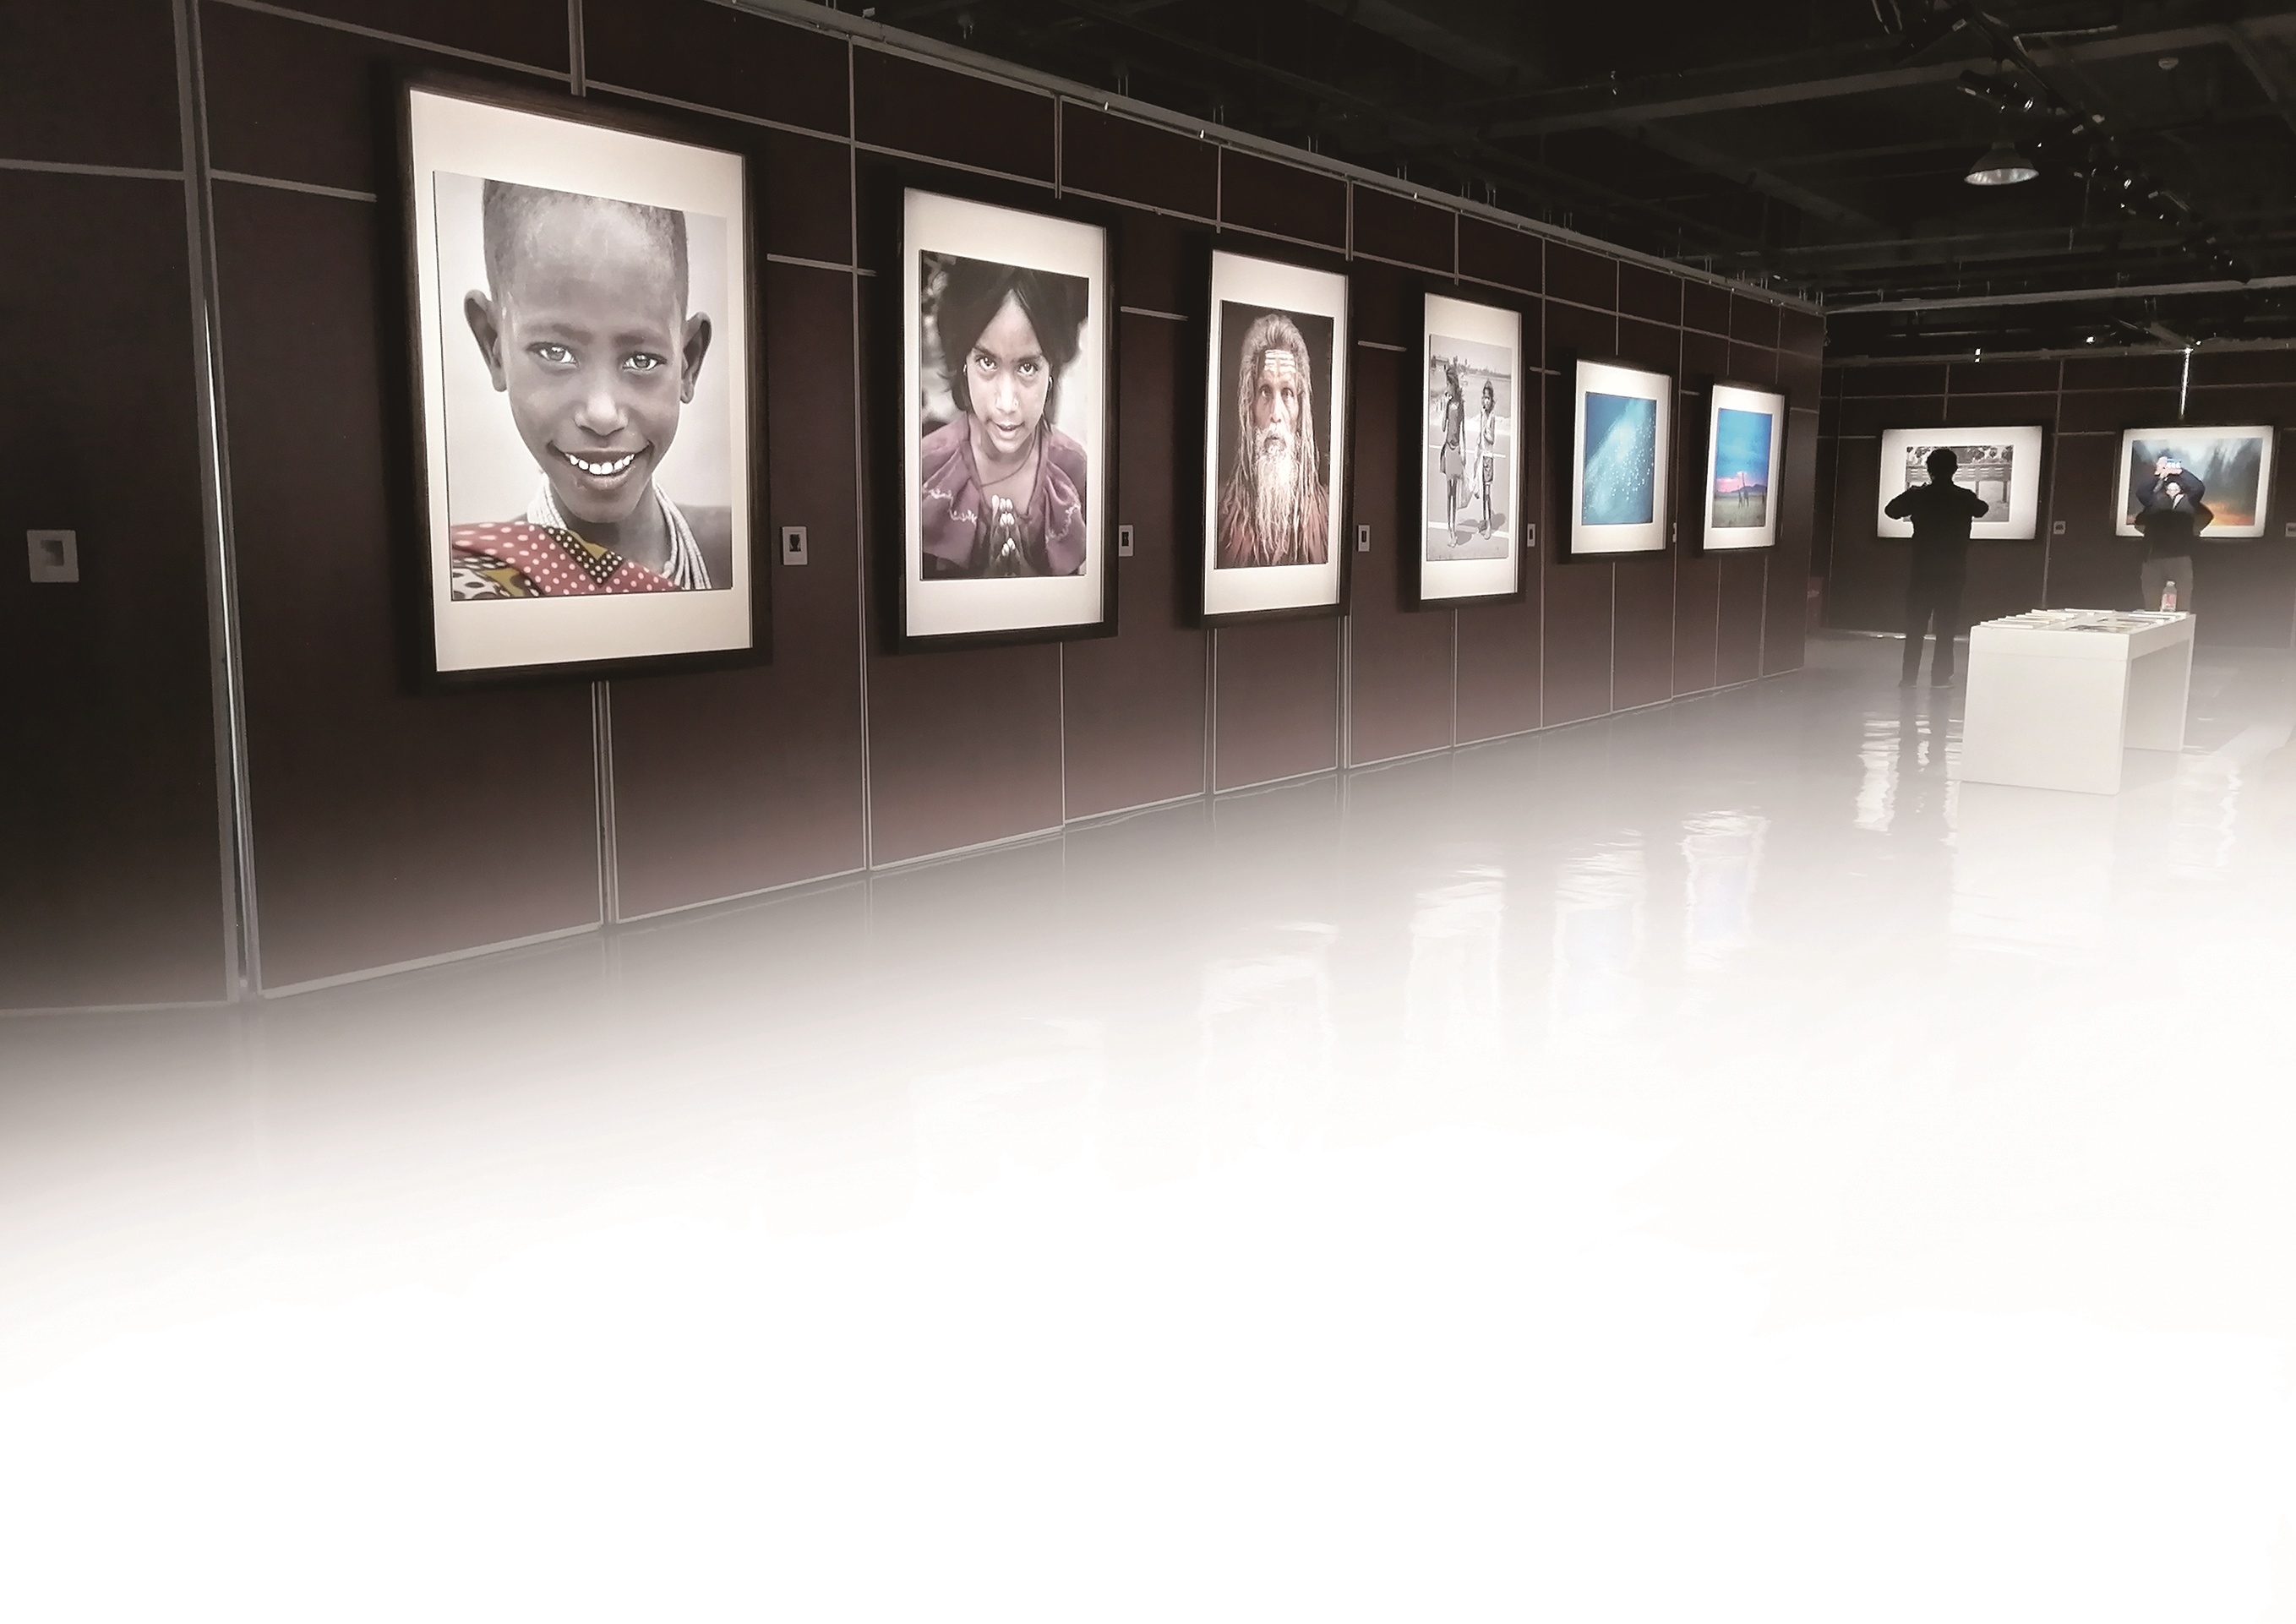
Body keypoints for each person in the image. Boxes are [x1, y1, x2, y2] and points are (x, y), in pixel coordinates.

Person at [453, 181, 728, 600]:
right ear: (494, 346)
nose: (602, 414)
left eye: (642, 360)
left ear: (688, 361)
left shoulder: (738, 554)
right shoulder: (474, 585)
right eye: (555, 353)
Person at [917, 259, 1088, 578]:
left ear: (1052, 369)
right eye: (987, 362)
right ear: (962, 360)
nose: (1006, 404)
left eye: (1027, 367)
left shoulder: (1074, 469)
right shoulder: (926, 467)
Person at [1218, 311, 1330, 569]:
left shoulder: (1326, 516)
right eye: (1265, 391)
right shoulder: (1221, 517)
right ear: (1249, 405)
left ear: (1301, 409)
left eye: (1287, 393)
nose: (1276, 414)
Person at [1883, 446, 1989, 686]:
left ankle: (1908, 677)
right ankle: (1940, 677)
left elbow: (1891, 510)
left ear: (1928, 469)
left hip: (1922, 571)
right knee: (1946, 628)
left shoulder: (1919, 496)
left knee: (1915, 627)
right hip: (1952, 572)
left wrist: (1914, 492)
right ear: (1955, 469)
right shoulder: (1963, 497)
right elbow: (1982, 509)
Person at [2132, 454, 2209, 612]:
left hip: (2180, 557)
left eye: (2176, 486)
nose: (2172, 489)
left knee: (2183, 604)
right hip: (2154, 557)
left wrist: (2179, 472)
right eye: (2169, 487)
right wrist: (2158, 473)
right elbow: (2142, 492)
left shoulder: (2189, 502)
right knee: (2151, 604)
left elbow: (2198, 488)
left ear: (2181, 488)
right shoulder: (2155, 501)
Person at [1438, 362, 1465, 538]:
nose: (1447, 387)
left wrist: (1464, 451)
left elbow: (1462, 429)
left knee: (1455, 492)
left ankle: (1453, 526)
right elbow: (1443, 427)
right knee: (1449, 491)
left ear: (1454, 385)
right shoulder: (1448, 404)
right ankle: (1450, 527)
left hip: (1456, 450)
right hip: (1448, 448)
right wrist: (1445, 407)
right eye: (1447, 384)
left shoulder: (1461, 404)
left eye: (1448, 384)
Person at [1475, 379, 1498, 535]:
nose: (1486, 401)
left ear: (1492, 400)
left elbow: (1491, 439)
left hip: (1489, 458)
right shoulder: (1482, 414)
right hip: (1481, 455)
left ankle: (1489, 524)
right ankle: (1485, 519)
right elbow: (1480, 435)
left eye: (1488, 398)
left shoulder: (1492, 417)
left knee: (1488, 493)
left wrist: (1485, 431)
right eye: (1484, 397)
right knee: (1482, 492)